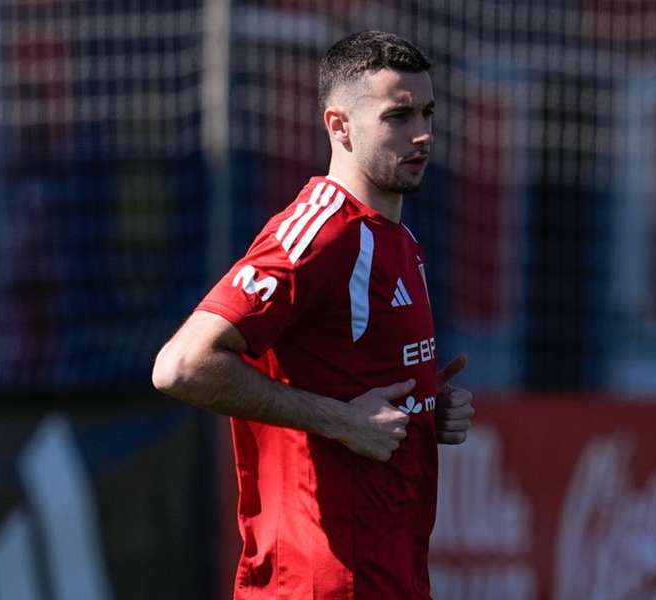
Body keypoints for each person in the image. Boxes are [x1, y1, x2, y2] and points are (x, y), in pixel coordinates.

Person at [152, 30, 474, 599]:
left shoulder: (400, 240)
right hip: (318, 583)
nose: (423, 133)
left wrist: (430, 407)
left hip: (388, 575)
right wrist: (339, 420)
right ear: (340, 126)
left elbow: (350, 382)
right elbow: (181, 365)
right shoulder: (319, 233)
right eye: (397, 116)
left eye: (427, 112)